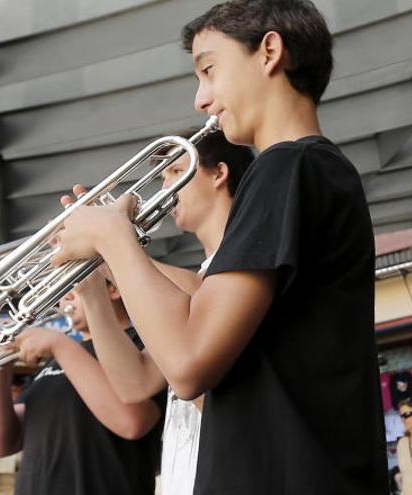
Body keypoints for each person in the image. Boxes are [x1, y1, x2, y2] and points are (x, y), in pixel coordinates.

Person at [52, 0, 388, 493]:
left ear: (269, 51)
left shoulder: (286, 167)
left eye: (209, 70)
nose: (201, 99)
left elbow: (186, 365)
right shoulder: (310, 170)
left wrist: (111, 238)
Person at [74, 129, 253, 494]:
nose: (164, 188)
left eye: (175, 172)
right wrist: (92, 289)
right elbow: (134, 383)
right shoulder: (202, 277)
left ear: (219, 173)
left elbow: (224, 399)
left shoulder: (240, 271)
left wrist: (112, 244)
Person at [0, 288, 163, 495]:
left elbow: (132, 422)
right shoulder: (56, 360)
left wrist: (60, 346)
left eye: (71, 284)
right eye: (60, 289)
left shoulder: (141, 345)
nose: (63, 296)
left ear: (112, 289)